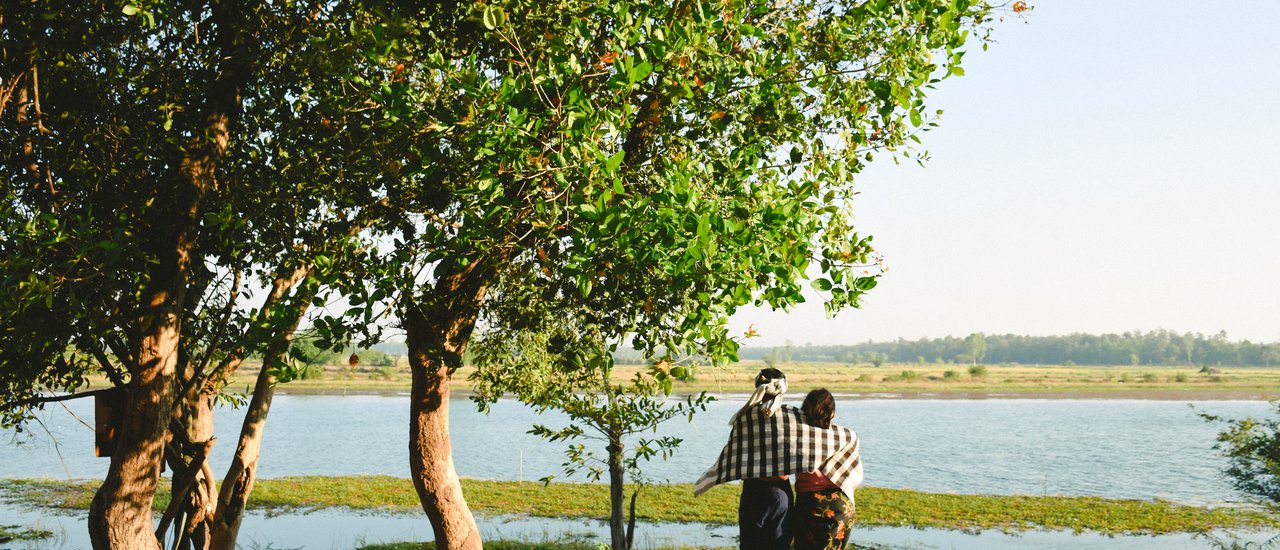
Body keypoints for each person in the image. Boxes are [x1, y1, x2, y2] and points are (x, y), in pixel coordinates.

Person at [792, 388, 857, 550]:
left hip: (809, 503)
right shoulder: (845, 436)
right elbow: (853, 475)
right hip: (840, 504)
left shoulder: (796, 435)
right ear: (832, 412)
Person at [737, 368, 792, 550]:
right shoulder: (789, 418)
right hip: (779, 493)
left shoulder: (745, 418)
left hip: (752, 492)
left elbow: (739, 459)